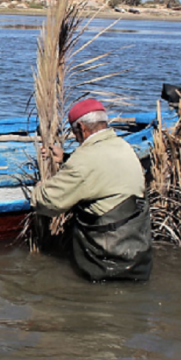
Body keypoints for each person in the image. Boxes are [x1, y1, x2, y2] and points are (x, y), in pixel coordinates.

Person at [31, 98, 152, 281]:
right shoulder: (123, 147)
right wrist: (65, 158)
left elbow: (50, 203)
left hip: (106, 263)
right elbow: (102, 172)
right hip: (137, 257)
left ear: (81, 127)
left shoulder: (84, 160)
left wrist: (38, 190)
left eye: (74, 133)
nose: (76, 137)